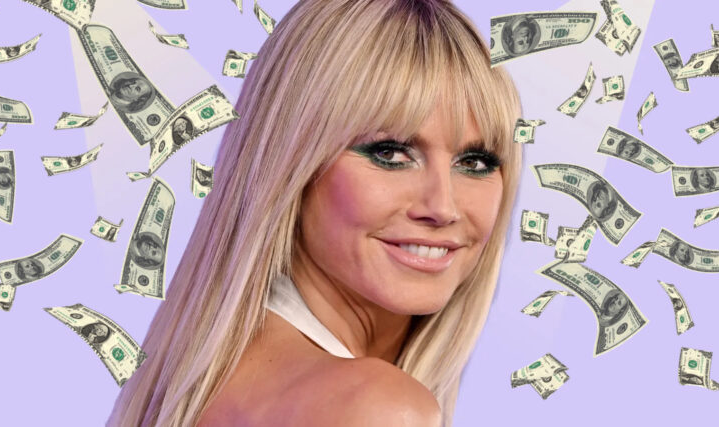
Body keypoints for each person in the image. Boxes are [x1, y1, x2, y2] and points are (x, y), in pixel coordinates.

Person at [108, 1, 523, 426]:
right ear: (291, 165)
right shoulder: (376, 408)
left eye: (475, 162)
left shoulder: (201, 386)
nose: (443, 207)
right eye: (390, 154)